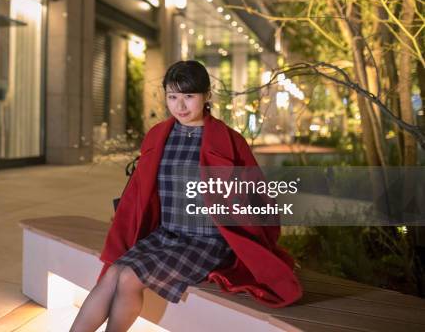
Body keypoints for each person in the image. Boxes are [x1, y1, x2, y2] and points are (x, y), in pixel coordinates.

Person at [70, 60, 302, 332]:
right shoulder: (159, 135)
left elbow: (257, 195)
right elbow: (140, 191)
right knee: (113, 273)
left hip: (208, 241)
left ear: (206, 96)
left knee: (129, 277)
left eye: (189, 96)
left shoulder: (229, 141)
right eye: (173, 97)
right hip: (167, 234)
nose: (180, 106)